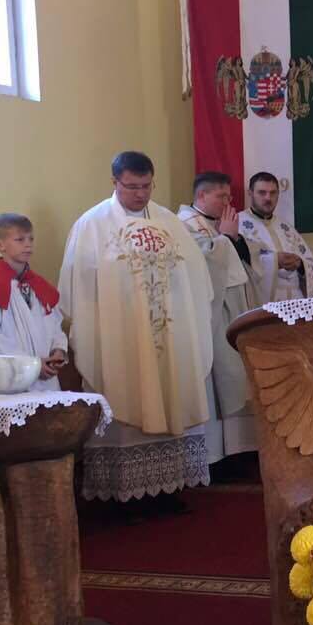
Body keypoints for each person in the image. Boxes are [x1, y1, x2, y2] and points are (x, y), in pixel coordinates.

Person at [59, 151, 214, 511]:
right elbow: (77, 289)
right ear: (114, 182)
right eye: (132, 187)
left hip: (167, 333)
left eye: (146, 186)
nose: (141, 194)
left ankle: (169, 489)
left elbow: (195, 279)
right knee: (125, 395)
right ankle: (123, 499)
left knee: (170, 394)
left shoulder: (169, 222)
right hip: (121, 336)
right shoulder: (92, 225)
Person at [177, 171, 258, 471]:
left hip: (233, 310)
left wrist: (232, 238)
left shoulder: (216, 224)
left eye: (229, 196)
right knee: (218, 380)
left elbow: (243, 262)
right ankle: (215, 457)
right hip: (211, 316)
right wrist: (225, 238)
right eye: (221, 196)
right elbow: (202, 265)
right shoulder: (184, 225)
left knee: (237, 377)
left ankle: (240, 450)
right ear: (201, 196)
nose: (228, 202)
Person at [0, 213, 67, 392]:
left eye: (31, 239)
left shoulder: (39, 285)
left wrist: (58, 350)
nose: (28, 244)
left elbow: (54, 323)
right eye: (20, 239)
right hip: (10, 382)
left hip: (46, 381)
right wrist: (31, 364)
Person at [238, 172, 313, 303]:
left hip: (295, 301)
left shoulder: (286, 227)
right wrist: (274, 261)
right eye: (262, 192)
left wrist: (300, 264)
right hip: (263, 302)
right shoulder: (238, 224)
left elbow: (309, 261)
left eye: (273, 193)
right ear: (250, 193)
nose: (268, 198)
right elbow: (238, 265)